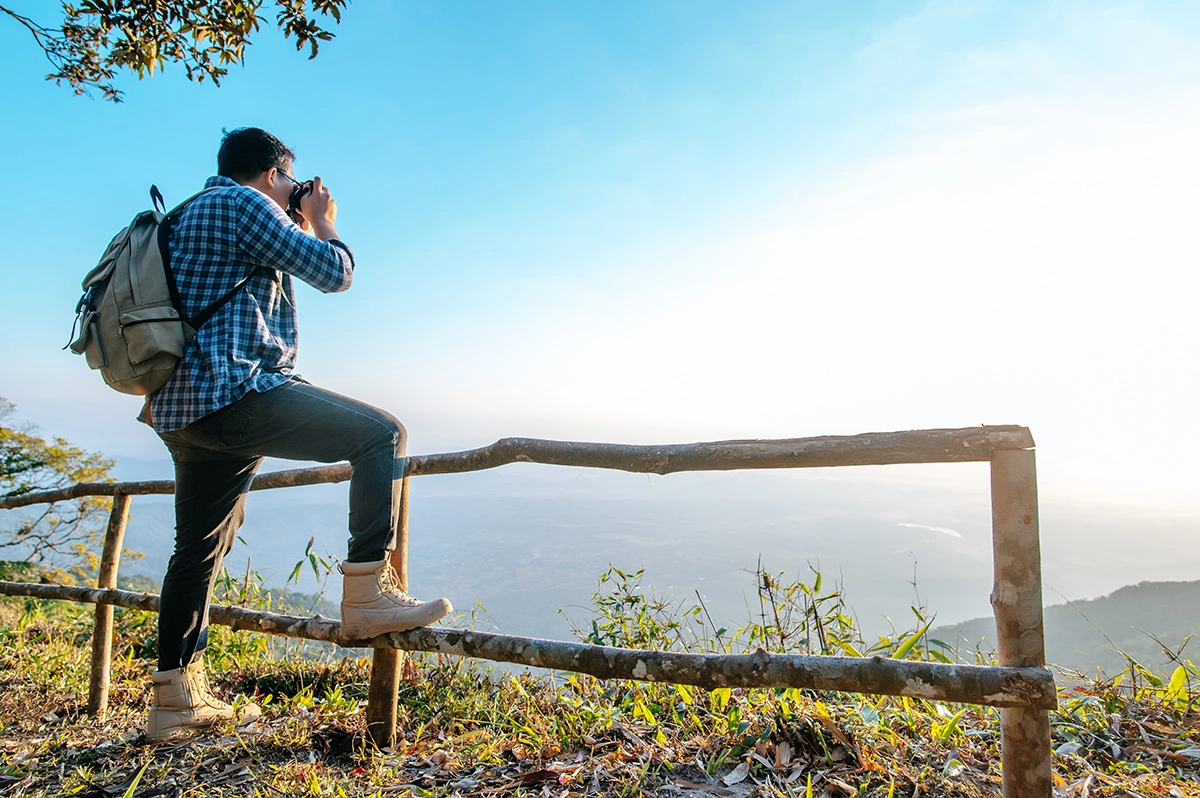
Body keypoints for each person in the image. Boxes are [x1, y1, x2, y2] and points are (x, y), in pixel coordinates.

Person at [141, 127, 451, 742]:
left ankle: (174, 702)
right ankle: (367, 593)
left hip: (182, 409)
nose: (294, 189)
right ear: (272, 174)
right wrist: (323, 219)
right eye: (291, 179)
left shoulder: (186, 214)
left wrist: (295, 218)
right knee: (382, 435)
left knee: (197, 550)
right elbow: (335, 273)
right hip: (235, 392)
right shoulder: (243, 202)